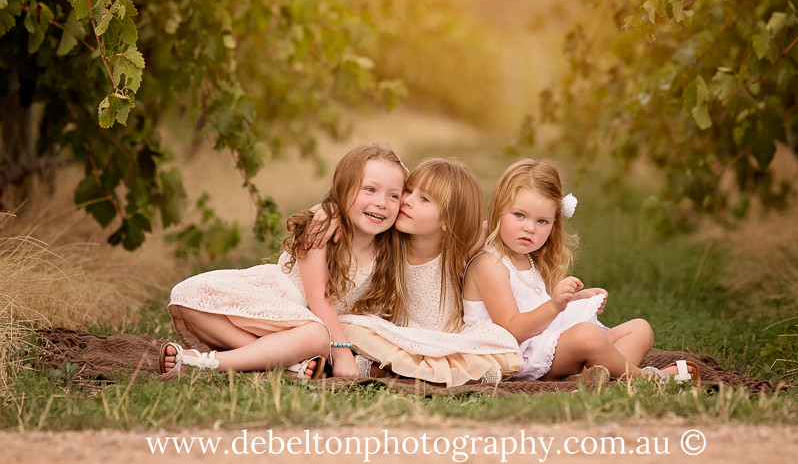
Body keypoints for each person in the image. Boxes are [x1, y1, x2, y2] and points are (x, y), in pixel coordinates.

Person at [160, 143, 407, 378]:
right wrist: (341, 353)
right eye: (370, 189)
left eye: (394, 196)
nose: (381, 203)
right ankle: (285, 363)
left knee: (315, 336)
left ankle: (207, 363)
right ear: (344, 189)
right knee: (187, 296)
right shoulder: (320, 229)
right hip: (271, 306)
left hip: (307, 334)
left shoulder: (391, 250)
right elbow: (318, 299)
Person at [462, 159, 699, 383]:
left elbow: (534, 306)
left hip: (543, 342)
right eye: (519, 215)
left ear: (554, 223)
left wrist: (573, 300)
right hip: (517, 357)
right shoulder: (490, 264)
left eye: (542, 221)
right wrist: (555, 305)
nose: (529, 228)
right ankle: (644, 378)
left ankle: (595, 375)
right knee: (588, 335)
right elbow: (512, 329)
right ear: (497, 212)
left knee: (640, 329)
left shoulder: (527, 259)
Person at [313, 158, 523, 386]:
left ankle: (402, 372)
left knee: (494, 341)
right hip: (396, 335)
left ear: (448, 220)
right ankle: (406, 372)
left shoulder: (460, 249)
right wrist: (329, 211)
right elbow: (352, 206)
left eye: (423, 199)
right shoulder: (386, 239)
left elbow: (499, 224)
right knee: (356, 328)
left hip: (442, 341)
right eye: (409, 191)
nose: (407, 201)